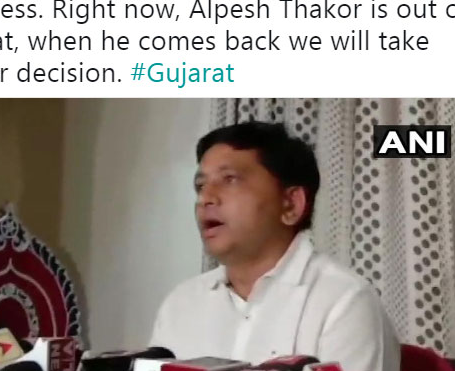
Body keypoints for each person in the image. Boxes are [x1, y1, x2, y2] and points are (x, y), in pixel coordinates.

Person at [150, 121, 400, 371]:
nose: (206, 198)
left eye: (230, 179)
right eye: (200, 186)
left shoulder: (344, 301)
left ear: (291, 204)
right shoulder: (181, 303)